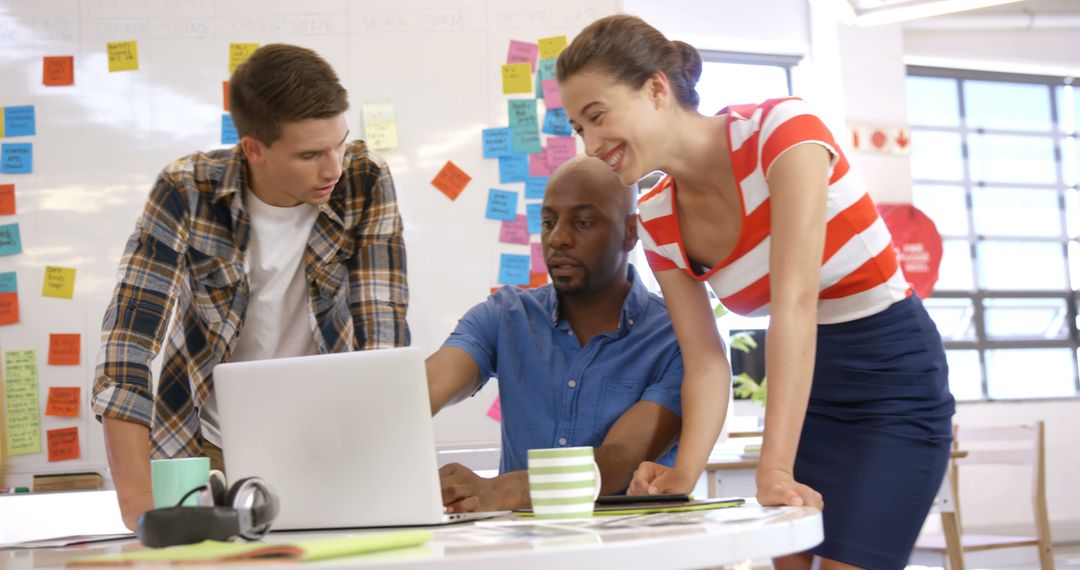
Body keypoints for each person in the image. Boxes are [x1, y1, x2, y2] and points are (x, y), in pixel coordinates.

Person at [556, 15, 955, 570]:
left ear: (655, 88)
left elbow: (795, 304)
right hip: (807, 392)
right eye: (578, 127)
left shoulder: (781, 133)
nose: (591, 145)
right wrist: (682, 478)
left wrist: (774, 468)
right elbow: (705, 362)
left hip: (892, 377)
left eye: (597, 117)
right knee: (786, 563)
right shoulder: (658, 216)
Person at [92, 44, 410, 530]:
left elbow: (381, 335)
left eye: (339, 144)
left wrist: (387, 473)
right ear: (254, 148)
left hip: (328, 434)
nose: (333, 169)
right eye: (309, 154)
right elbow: (128, 349)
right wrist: (137, 508)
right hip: (205, 443)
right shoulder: (187, 190)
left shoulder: (364, 181)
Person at [427, 155, 684, 513]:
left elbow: (621, 460)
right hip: (525, 554)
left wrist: (506, 490)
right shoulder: (506, 315)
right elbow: (431, 384)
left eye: (582, 222)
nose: (558, 238)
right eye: (548, 222)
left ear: (630, 232)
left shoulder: (676, 337)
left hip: (627, 551)